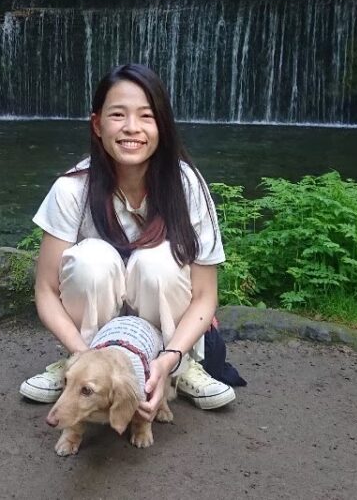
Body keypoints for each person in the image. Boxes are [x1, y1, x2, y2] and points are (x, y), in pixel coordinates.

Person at [19, 63, 236, 416]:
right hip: (91, 344)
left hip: (167, 344)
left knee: (158, 263)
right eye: (118, 114)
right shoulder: (71, 188)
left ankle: (178, 372)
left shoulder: (187, 186)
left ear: (161, 126)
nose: (131, 128)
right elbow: (45, 290)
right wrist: (83, 354)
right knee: (92, 261)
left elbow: (206, 295)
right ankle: (81, 370)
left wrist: (169, 358)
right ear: (97, 124)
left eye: (146, 116)